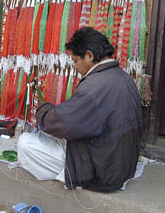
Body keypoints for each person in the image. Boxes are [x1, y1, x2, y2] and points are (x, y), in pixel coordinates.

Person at [18, 27, 142, 192]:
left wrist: (43, 110)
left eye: (75, 60)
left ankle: (70, 177)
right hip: (122, 164)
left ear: (89, 56)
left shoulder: (95, 86)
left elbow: (63, 124)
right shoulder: (123, 77)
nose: (75, 66)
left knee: (26, 143)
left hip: (103, 172)